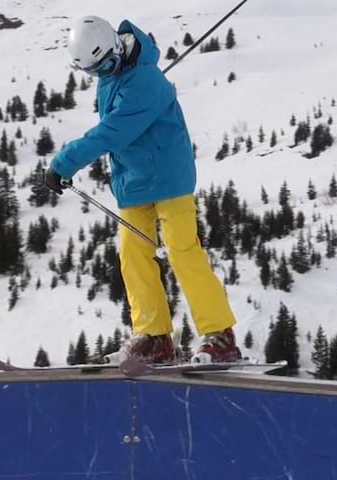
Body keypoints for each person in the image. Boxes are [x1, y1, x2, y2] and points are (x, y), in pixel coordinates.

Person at [44, 16, 240, 364]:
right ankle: (154, 337)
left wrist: (64, 162)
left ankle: (220, 334)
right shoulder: (112, 77)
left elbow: (112, 132)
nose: (103, 71)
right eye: (95, 70)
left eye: (106, 63)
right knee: (133, 256)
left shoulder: (146, 81)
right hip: (134, 181)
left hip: (168, 177)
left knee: (182, 249)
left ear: (116, 47)